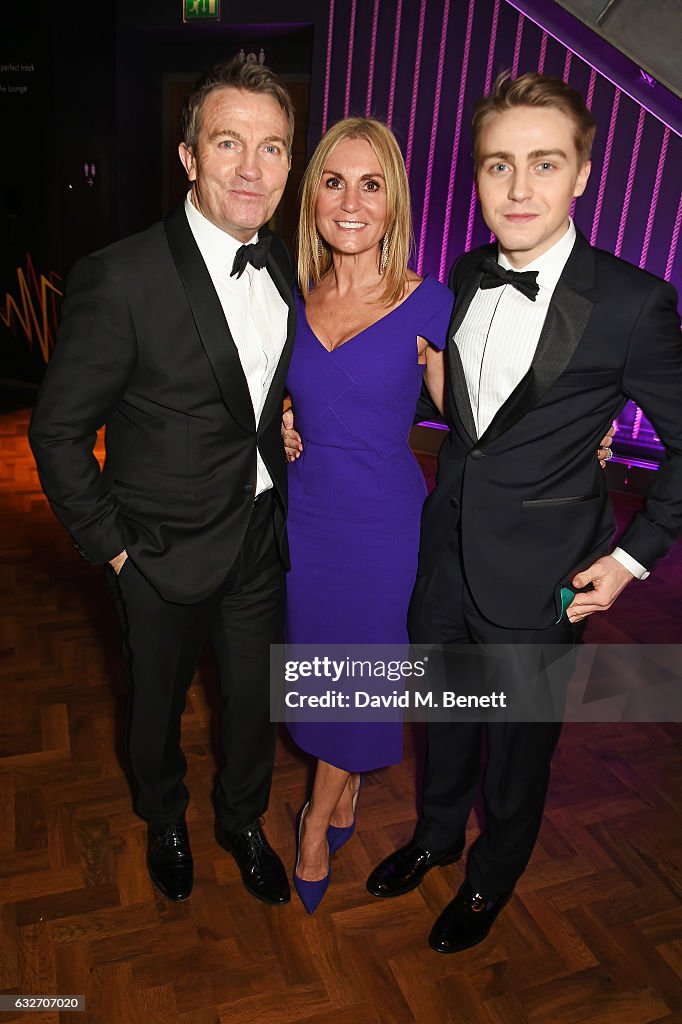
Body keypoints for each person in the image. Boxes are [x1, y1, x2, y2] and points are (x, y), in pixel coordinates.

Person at [365, 71, 682, 954]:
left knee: (517, 750)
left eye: (544, 164)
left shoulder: (632, 302)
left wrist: (631, 560)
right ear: (475, 177)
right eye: (497, 165)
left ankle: (490, 878)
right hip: (447, 557)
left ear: (582, 173)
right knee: (448, 721)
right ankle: (433, 837)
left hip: (547, 578)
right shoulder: (463, 274)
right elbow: (468, 408)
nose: (518, 188)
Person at [29, 59, 297, 907]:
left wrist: (277, 429)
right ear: (189, 156)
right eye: (229, 143)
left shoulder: (282, 265)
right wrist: (115, 554)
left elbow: (250, 390)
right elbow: (58, 431)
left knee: (253, 705)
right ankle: (166, 816)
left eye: (272, 148)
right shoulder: (122, 275)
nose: (252, 168)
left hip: (258, 533)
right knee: (153, 712)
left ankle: (242, 818)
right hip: (158, 552)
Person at [282, 118, 455, 913]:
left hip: (384, 526)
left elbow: (480, 417)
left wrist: (581, 434)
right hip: (305, 517)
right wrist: (280, 421)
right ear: (313, 193)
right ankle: (343, 793)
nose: (351, 202)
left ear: (394, 203)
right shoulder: (292, 300)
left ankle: (317, 816)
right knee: (324, 673)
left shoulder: (431, 302)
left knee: (361, 670)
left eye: (371, 184)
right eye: (334, 181)